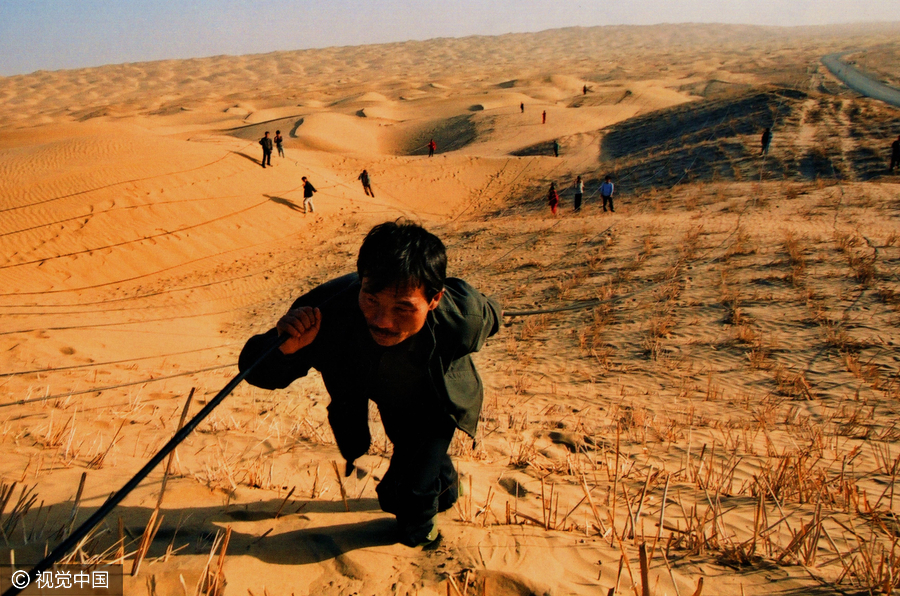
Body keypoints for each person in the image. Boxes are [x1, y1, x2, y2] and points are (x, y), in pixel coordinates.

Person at [238, 221, 501, 547]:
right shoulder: (328, 313)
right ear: (361, 283)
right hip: (388, 397)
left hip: (438, 398)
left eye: (403, 308)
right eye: (371, 300)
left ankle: (422, 539)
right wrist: (286, 349)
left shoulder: (463, 318)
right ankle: (445, 487)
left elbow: (491, 314)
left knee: (403, 493)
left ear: (434, 300)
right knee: (416, 458)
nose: (383, 321)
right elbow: (257, 370)